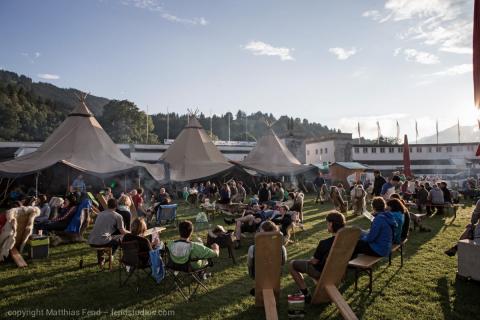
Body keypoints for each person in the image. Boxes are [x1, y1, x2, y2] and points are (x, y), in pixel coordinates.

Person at [289, 211, 346, 304]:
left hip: (322, 272)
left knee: (292, 264)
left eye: (327, 223)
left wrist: (310, 260)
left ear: (331, 224)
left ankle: (305, 293)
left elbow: (315, 262)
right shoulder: (347, 240)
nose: (326, 225)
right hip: (339, 271)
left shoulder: (325, 243)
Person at [247, 221, 287, 295]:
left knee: (252, 266)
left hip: (258, 275)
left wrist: (252, 275)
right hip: (275, 274)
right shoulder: (282, 248)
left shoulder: (252, 248)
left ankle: (260, 286)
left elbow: (250, 264)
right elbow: (283, 262)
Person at [88, 198, 129, 263]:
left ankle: (101, 259)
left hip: (91, 241)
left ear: (107, 205)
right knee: (120, 238)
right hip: (101, 242)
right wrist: (131, 232)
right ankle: (112, 256)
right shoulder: (118, 216)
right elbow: (122, 231)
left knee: (102, 236)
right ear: (116, 206)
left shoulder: (100, 214)